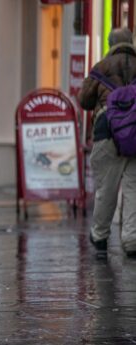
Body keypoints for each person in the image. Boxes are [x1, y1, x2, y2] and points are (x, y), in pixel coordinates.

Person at [78, 28, 136, 257]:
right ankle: (132, 239)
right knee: (133, 188)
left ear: (111, 44)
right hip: (135, 134)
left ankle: (100, 236)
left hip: (107, 132)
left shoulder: (101, 68)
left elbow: (84, 100)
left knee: (106, 189)